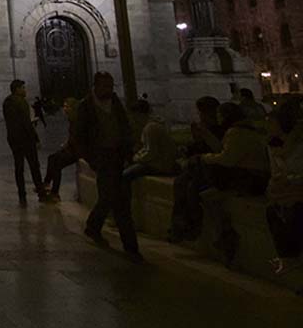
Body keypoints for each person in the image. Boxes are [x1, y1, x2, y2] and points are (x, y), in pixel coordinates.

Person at [169, 102, 270, 256]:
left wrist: (204, 158)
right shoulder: (242, 130)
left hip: (248, 179)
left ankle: (208, 230)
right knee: (203, 193)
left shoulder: (237, 132)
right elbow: (223, 151)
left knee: (199, 190)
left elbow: (227, 158)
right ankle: (221, 233)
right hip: (246, 176)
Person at [75, 71, 141, 261]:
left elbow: (125, 127)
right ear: (95, 86)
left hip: (118, 156)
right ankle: (131, 248)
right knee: (118, 201)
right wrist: (91, 159)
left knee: (110, 198)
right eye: (105, 86)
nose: (109, 90)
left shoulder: (116, 103)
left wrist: (129, 151)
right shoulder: (86, 107)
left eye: (111, 86)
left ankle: (94, 226)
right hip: (101, 158)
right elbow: (79, 135)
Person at [265, 100, 303, 275]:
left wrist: (290, 181)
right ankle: (287, 257)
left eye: (270, 123)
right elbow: (276, 174)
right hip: (287, 191)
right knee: (274, 212)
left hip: (297, 190)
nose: (267, 126)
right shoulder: (273, 146)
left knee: (294, 213)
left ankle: (289, 258)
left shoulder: (299, 144)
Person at [3, 80, 46, 204]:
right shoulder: (21, 102)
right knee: (34, 166)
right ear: (17, 89)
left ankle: (22, 195)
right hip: (25, 139)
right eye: (23, 88)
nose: (25, 90)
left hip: (13, 138)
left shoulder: (7, 102)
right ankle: (41, 192)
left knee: (19, 167)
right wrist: (36, 138)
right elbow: (26, 123)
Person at [122, 98, 178, 187]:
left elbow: (150, 152)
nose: (133, 119)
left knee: (125, 175)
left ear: (138, 114)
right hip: (162, 162)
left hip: (160, 165)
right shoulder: (154, 125)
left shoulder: (150, 128)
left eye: (134, 116)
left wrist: (136, 158)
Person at [43, 97, 81, 202]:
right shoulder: (72, 119)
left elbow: (77, 138)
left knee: (57, 164)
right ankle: (46, 183)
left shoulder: (77, 120)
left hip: (77, 151)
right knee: (51, 158)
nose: (64, 109)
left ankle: (55, 192)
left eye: (66, 106)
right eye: (64, 106)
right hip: (72, 148)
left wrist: (67, 146)